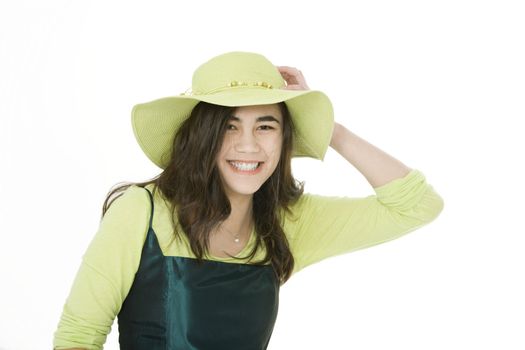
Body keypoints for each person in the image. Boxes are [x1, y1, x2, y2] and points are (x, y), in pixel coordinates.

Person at [53, 51, 444, 350]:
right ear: (202, 136)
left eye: (266, 126)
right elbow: (78, 337)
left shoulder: (286, 223)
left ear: (284, 137)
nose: (248, 145)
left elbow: (418, 205)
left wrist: (331, 130)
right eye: (229, 125)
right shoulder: (142, 210)